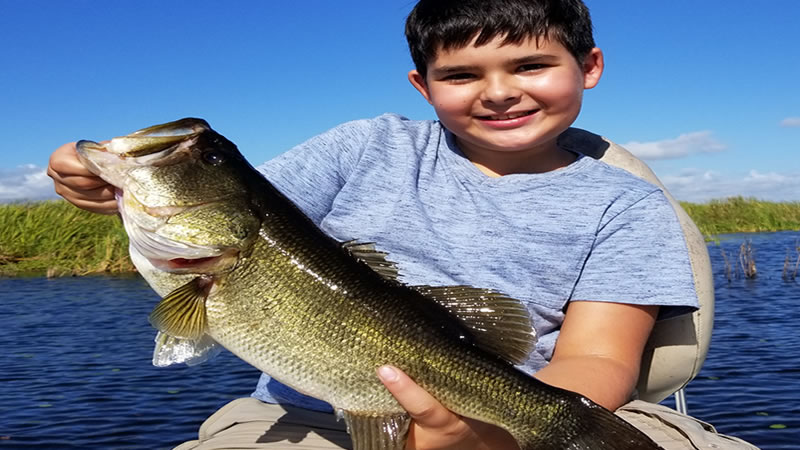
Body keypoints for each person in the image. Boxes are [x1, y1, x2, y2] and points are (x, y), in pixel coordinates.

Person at [48, 1, 758, 449]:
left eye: (532, 64)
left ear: (589, 66)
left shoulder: (625, 203)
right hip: (314, 418)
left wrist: (493, 433)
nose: (501, 90)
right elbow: (248, 208)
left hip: (513, 417)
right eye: (462, 75)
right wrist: (97, 183)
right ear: (422, 86)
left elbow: (601, 360)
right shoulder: (366, 146)